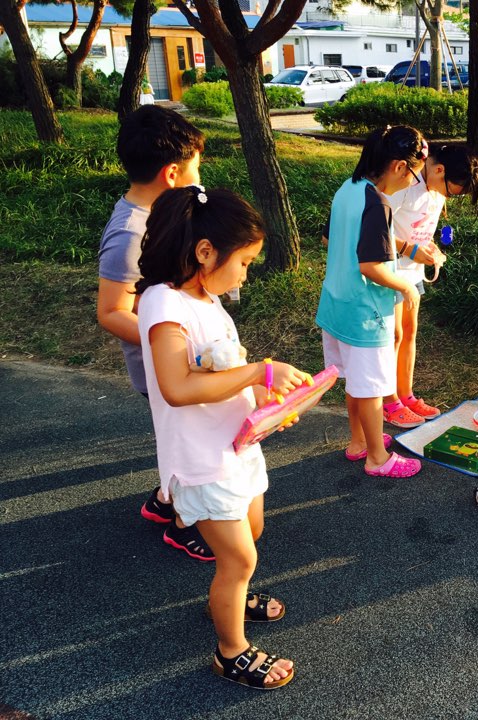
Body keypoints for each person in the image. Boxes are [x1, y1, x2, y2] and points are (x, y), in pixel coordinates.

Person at [136, 187, 310, 690]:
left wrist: (267, 406)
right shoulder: (164, 304)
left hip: (235, 446)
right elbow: (177, 387)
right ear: (205, 251)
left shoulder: (207, 300)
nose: (245, 275)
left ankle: (229, 594)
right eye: (245, 262)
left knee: (251, 533)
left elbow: (224, 372)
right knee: (239, 557)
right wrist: (259, 371)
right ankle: (231, 651)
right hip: (201, 460)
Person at [95, 104, 213, 560]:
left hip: (184, 361)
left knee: (180, 436)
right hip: (165, 369)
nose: (200, 177)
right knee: (190, 442)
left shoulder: (165, 211)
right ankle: (185, 523)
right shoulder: (130, 233)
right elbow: (111, 312)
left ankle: (164, 499)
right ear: (172, 173)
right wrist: (172, 343)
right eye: (196, 168)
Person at [315, 125, 427, 478]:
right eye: (414, 174)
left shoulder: (347, 189)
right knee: (372, 388)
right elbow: (371, 266)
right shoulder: (377, 203)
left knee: (355, 382)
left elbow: (329, 240)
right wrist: (407, 288)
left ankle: (359, 441)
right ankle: (378, 458)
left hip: (336, 303)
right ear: (398, 166)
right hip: (365, 313)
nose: (412, 181)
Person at [381, 143, 478, 428]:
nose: (448, 196)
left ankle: (405, 394)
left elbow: (419, 228)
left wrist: (430, 248)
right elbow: (376, 229)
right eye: (451, 190)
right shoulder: (404, 184)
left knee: (409, 332)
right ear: (438, 169)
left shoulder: (435, 190)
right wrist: (408, 250)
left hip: (412, 272)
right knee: (394, 336)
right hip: (390, 271)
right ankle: (388, 401)